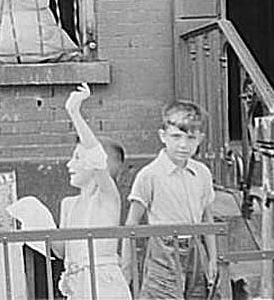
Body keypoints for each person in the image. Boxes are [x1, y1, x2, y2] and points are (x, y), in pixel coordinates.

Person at [120, 100, 218, 299]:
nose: (183, 144)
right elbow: (132, 222)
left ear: (200, 139)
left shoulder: (202, 173)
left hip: (195, 248)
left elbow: (208, 219)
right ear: (163, 136)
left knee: (199, 295)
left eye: (190, 138)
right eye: (176, 136)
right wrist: (127, 266)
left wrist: (212, 259)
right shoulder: (150, 175)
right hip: (164, 249)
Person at [52, 82, 132, 300]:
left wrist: (74, 112)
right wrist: (39, 223)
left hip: (104, 281)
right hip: (76, 282)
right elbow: (60, 250)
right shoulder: (67, 204)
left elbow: (95, 155)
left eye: (77, 158)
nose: (70, 164)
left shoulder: (108, 197)